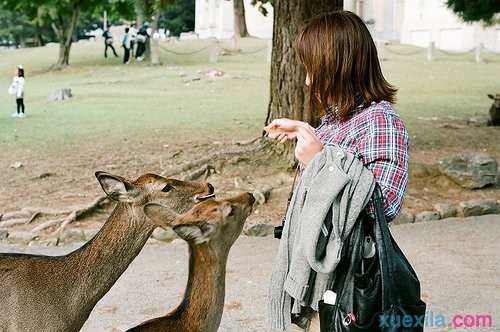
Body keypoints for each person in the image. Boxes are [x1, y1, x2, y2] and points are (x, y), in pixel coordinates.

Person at [265, 11, 409, 331]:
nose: (306, 81)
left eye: (311, 70)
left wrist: (319, 162)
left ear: (338, 68)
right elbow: (338, 154)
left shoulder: (381, 122)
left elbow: (382, 208)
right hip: (318, 283)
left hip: (344, 289)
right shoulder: (335, 119)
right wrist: (303, 129)